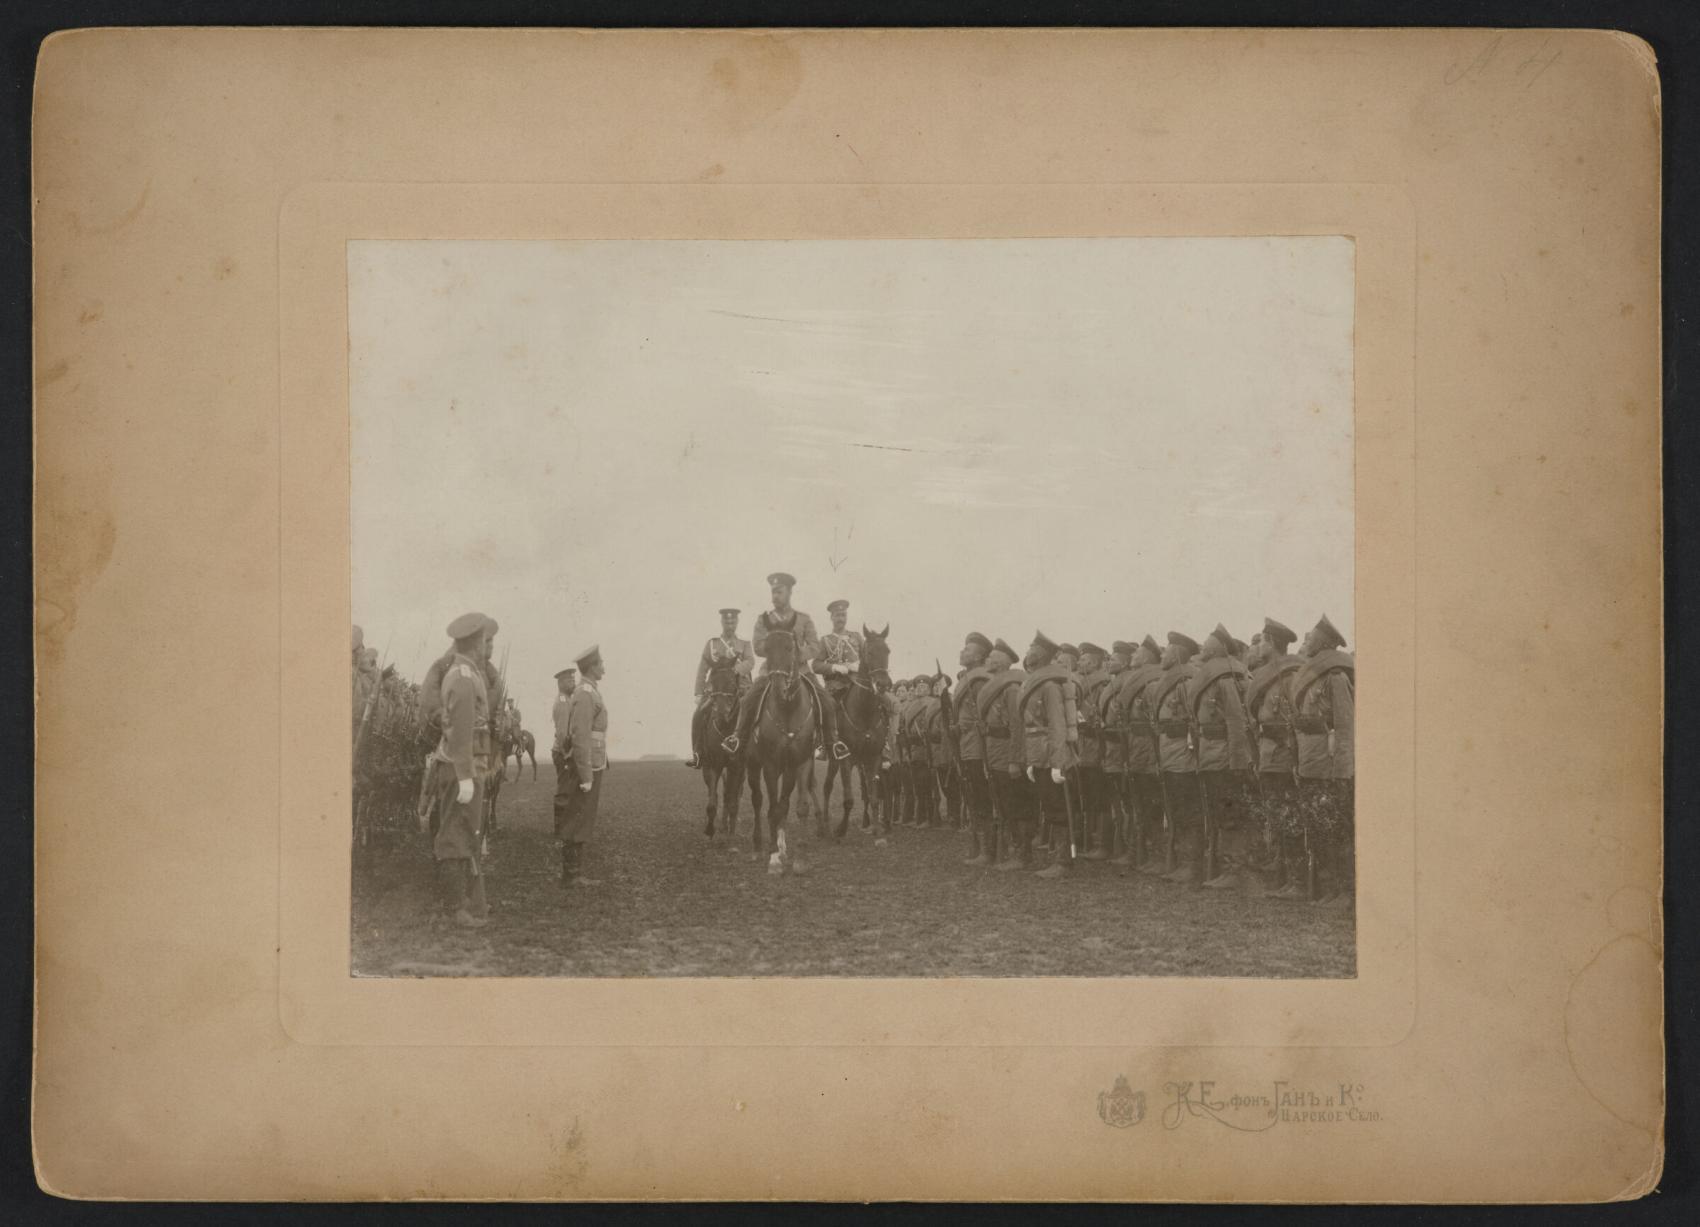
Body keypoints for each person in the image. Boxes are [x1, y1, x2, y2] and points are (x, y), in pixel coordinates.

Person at [720, 572, 850, 761]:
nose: (775, 596)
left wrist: (794, 655)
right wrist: (777, 650)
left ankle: (832, 743)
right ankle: (737, 738)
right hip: (771, 671)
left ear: (789, 593)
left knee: (828, 702)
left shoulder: (804, 619)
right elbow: (757, 646)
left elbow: (814, 646)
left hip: (802, 672)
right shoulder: (763, 619)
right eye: (773, 592)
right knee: (747, 700)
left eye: (779, 592)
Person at [430, 612, 494, 928]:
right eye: (484, 641)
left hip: (463, 766)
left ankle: (466, 902)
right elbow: (462, 731)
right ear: (475, 643)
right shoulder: (465, 678)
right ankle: (456, 908)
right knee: (456, 836)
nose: (486, 647)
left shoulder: (463, 673)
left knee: (465, 834)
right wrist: (465, 775)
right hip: (462, 768)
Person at [1189, 623, 1257, 890]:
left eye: (1207, 644)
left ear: (1217, 648)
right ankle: (1225, 865)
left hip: (1224, 757)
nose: (1202, 648)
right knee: (1221, 811)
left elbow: (1236, 722)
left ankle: (1235, 869)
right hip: (1211, 754)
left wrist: (1238, 762)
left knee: (1230, 814)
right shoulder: (1213, 674)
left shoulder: (1225, 677)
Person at [1292, 614, 1355, 903]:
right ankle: (1326, 887)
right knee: (1318, 827)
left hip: (1330, 768)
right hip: (1311, 763)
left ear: (1323, 641)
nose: (1307, 640)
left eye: (1311, 636)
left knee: (1336, 829)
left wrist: (1342, 770)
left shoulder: (1335, 677)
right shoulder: (1310, 675)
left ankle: (1342, 890)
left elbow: (1344, 726)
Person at [1247, 618, 1305, 897]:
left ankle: (1297, 881)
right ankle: (1282, 876)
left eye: (1261, 641)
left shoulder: (1291, 674)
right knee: (1277, 818)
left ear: (1271, 643)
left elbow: (1295, 718)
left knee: (1290, 818)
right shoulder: (1267, 672)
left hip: (1284, 754)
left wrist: (1294, 756)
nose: (1257, 647)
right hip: (1268, 754)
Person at [1019, 632, 1079, 879]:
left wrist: (1057, 763)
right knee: (1051, 805)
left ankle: (1063, 862)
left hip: (1052, 755)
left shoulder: (1050, 685)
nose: (1029, 650)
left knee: (1058, 807)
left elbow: (1057, 726)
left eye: (1032, 646)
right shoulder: (1035, 681)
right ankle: (1058, 858)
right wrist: (1033, 762)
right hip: (1039, 754)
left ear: (1041, 654)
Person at [1152, 632, 1203, 885]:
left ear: (1178, 654)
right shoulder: (1171, 680)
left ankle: (1191, 864)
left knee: (1187, 811)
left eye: (1167, 650)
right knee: (1176, 810)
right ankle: (1182, 861)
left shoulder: (1187, 680)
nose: (1162, 654)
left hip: (1184, 757)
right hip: (1169, 755)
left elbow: (1195, 722)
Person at [558, 643, 610, 887]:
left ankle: (574, 872)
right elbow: (580, 735)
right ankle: (572, 874)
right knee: (578, 816)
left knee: (582, 816)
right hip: (586, 765)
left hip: (593, 762)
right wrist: (586, 774)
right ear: (591, 667)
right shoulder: (585, 694)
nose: (604, 668)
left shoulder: (589, 691)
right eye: (601, 664)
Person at [1116, 636, 1168, 872]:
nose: (1132, 656)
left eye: (1137, 654)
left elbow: (1156, 723)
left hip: (1149, 748)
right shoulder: (1135, 680)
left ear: (1147, 657)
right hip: (1135, 746)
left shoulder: (1153, 682)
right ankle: (1139, 851)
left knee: (1153, 804)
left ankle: (1157, 856)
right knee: (1139, 803)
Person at [978, 639, 1030, 870]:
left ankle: (1022, 853)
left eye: (992, 656)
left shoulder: (1011, 688)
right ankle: (1011, 849)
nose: (987, 660)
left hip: (1007, 753)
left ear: (1003, 662)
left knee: (1014, 804)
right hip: (994, 752)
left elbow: (1017, 727)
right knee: (1003, 802)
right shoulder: (995, 685)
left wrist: (1014, 760)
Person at [686, 608, 753, 768]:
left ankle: (754, 753)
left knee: (753, 715)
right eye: (726, 621)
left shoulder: (744, 643)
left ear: (736, 622)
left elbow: (750, 661)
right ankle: (698, 753)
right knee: (699, 714)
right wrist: (698, 692)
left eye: (733, 621)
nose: (730, 624)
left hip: (741, 690)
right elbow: (703, 668)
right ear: (722, 622)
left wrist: (736, 669)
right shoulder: (712, 643)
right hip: (716, 690)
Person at [953, 633, 996, 865]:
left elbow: (984, 714)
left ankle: (988, 850)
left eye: (967, 649)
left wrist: (963, 727)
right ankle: (979, 845)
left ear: (979, 656)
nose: (962, 652)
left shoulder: (979, 680)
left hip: (979, 747)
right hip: (967, 745)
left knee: (982, 796)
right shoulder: (966, 678)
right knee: (973, 794)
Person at [1074, 642, 1113, 859]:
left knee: (1100, 797)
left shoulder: (1103, 684)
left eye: (1084, 660)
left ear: (1095, 662)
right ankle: (1090, 841)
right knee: (1088, 796)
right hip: (1083, 748)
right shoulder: (1082, 683)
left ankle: (1103, 844)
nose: (1079, 663)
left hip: (1097, 747)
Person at [1097, 642, 1135, 863]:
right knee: (1115, 798)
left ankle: (1129, 848)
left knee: (1127, 799)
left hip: (1124, 747)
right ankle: (1115, 846)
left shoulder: (1129, 682)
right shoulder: (1113, 683)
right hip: (1111, 745)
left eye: (1114, 658)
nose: (1110, 661)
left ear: (1126, 662)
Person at [813, 599, 863, 760]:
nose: (840, 618)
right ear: (831, 618)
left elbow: (868, 658)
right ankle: (825, 745)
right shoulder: (826, 640)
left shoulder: (856, 637)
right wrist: (834, 668)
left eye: (843, 615)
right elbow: (816, 665)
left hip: (858, 683)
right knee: (826, 707)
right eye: (837, 615)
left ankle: (884, 747)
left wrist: (859, 665)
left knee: (882, 702)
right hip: (836, 686)